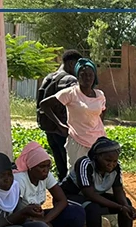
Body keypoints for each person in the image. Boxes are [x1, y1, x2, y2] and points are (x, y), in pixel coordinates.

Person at [14, 141, 93, 227]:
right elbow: (17, 210)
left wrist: (46, 220)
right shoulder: (20, 180)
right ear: (31, 167)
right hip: (22, 222)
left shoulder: (46, 176)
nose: (45, 170)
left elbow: (62, 200)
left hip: (40, 217)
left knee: (76, 211)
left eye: (48, 167)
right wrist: (42, 223)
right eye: (41, 167)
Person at [40, 58, 107, 171]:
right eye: (83, 75)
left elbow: (103, 110)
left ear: (94, 76)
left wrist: (98, 125)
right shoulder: (70, 93)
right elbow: (44, 105)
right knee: (76, 174)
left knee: (97, 174)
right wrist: (60, 124)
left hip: (98, 141)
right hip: (77, 142)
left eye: (90, 75)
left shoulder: (100, 95)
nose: (87, 78)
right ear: (77, 76)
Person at [35, 49, 82, 180]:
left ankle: (62, 194)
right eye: (78, 66)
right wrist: (62, 125)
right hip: (64, 130)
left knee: (61, 168)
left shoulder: (48, 78)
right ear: (72, 64)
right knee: (71, 167)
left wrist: (55, 124)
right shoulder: (70, 80)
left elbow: (41, 104)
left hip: (49, 129)